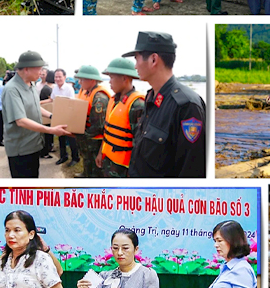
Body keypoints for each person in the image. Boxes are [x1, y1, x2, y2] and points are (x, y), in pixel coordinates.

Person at [124, 32, 206, 178]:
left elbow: (191, 170)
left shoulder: (186, 106)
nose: (135, 66)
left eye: (136, 59)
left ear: (153, 60)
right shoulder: (151, 97)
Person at [1, 51, 68, 179]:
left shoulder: (31, 85)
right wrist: (50, 130)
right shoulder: (12, 89)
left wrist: (53, 117)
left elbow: (36, 107)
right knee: (23, 189)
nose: (42, 72)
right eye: (39, 69)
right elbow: (20, 120)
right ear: (26, 69)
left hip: (33, 145)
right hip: (21, 149)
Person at [0, 211, 64, 288]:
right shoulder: (0, 263)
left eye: (17, 230)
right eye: (7, 230)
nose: (11, 235)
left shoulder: (41, 259)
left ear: (31, 234)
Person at [77, 229, 160, 288]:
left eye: (125, 248)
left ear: (136, 249)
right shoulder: (105, 276)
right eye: (115, 248)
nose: (119, 253)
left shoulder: (147, 274)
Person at [186, 221, 256, 288]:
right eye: (215, 241)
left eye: (219, 240)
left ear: (232, 241)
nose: (216, 245)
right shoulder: (226, 267)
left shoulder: (241, 268)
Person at [98, 58, 145, 178]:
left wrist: (133, 173)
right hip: (109, 161)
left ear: (125, 78)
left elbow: (140, 144)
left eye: (112, 78)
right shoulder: (113, 100)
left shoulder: (137, 104)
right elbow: (107, 131)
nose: (109, 82)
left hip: (124, 168)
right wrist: (100, 153)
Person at [73, 65, 111, 178]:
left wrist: (82, 135)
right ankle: (85, 174)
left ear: (92, 80)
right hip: (87, 138)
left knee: (95, 168)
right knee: (87, 160)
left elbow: (98, 125)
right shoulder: (88, 92)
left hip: (95, 140)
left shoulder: (99, 98)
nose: (79, 82)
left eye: (82, 79)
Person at [49, 69, 78, 166]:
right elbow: (52, 100)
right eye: (56, 77)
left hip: (69, 116)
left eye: (59, 76)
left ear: (64, 77)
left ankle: (75, 158)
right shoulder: (55, 88)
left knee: (71, 138)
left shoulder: (69, 88)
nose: (57, 79)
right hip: (59, 115)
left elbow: (72, 104)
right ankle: (63, 156)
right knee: (60, 137)